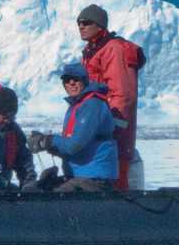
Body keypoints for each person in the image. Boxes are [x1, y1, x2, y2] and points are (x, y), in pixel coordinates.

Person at [77, 4, 145, 190]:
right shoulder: (92, 52)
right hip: (98, 133)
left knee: (117, 182)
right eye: (79, 23)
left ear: (100, 26)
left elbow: (122, 95)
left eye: (86, 22)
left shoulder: (114, 49)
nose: (81, 26)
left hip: (113, 136)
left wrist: (111, 127)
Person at [29, 62, 118, 192]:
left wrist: (47, 141)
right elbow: (76, 146)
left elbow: (74, 145)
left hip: (94, 178)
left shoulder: (92, 105)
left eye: (76, 79)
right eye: (67, 80)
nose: (71, 83)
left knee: (52, 197)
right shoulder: (78, 105)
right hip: (79, 175)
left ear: (84, 81)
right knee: (36, 189)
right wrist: (52, 148)